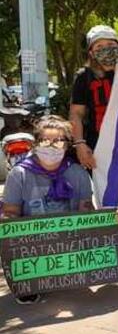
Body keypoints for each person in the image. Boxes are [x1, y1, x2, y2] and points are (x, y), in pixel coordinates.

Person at [2, 116, 95, 305]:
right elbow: (11, 212)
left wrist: (106, 221)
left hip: (68, 242)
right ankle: (28, 282)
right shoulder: (19, 174)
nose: (51, 147)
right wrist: (6, 225)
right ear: (36, 144)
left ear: (67, 146)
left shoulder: (78, 173)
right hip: (32, 244)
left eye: (59, 141)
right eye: (45, 140)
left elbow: (86, 211)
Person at [69, 24, 118, 170]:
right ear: (91, 53)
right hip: (99, 148)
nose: (105, 49)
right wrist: (79, 144)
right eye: (99, 46)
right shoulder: (84, 77)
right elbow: (76, 114)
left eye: (110, 44)